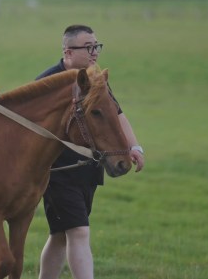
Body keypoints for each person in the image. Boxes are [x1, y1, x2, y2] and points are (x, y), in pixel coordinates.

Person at [37, 25, 145, 279]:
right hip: (58, 171)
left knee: (60, 236)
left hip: (87, 170)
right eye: (88, 47)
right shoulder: (48, 83)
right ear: (67, 51)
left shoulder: (95, 79)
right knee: (79, 232)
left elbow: (116, 115)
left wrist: (134, 146)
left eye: (96, 46)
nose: (94, 52)